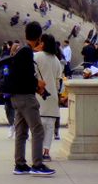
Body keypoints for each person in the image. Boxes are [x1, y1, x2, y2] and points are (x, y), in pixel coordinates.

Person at [9, 21, 55, 176]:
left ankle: (20, 164)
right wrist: (38, 83)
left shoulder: (21, 49)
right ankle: (37, 164)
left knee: (21, 131)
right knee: (38, 130)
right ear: (39, 37)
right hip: (26, 97)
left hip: (16, 96)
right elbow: (27, 76)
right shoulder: (27, 52)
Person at [34, 34, 63, 162]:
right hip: (52, 96)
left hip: (39, 95)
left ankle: (38, 151)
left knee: (37, 126)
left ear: (43, 43)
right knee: (50, 127)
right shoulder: (56, 60)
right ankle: (46, 152)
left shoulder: (36, 56)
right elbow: (58, 82)